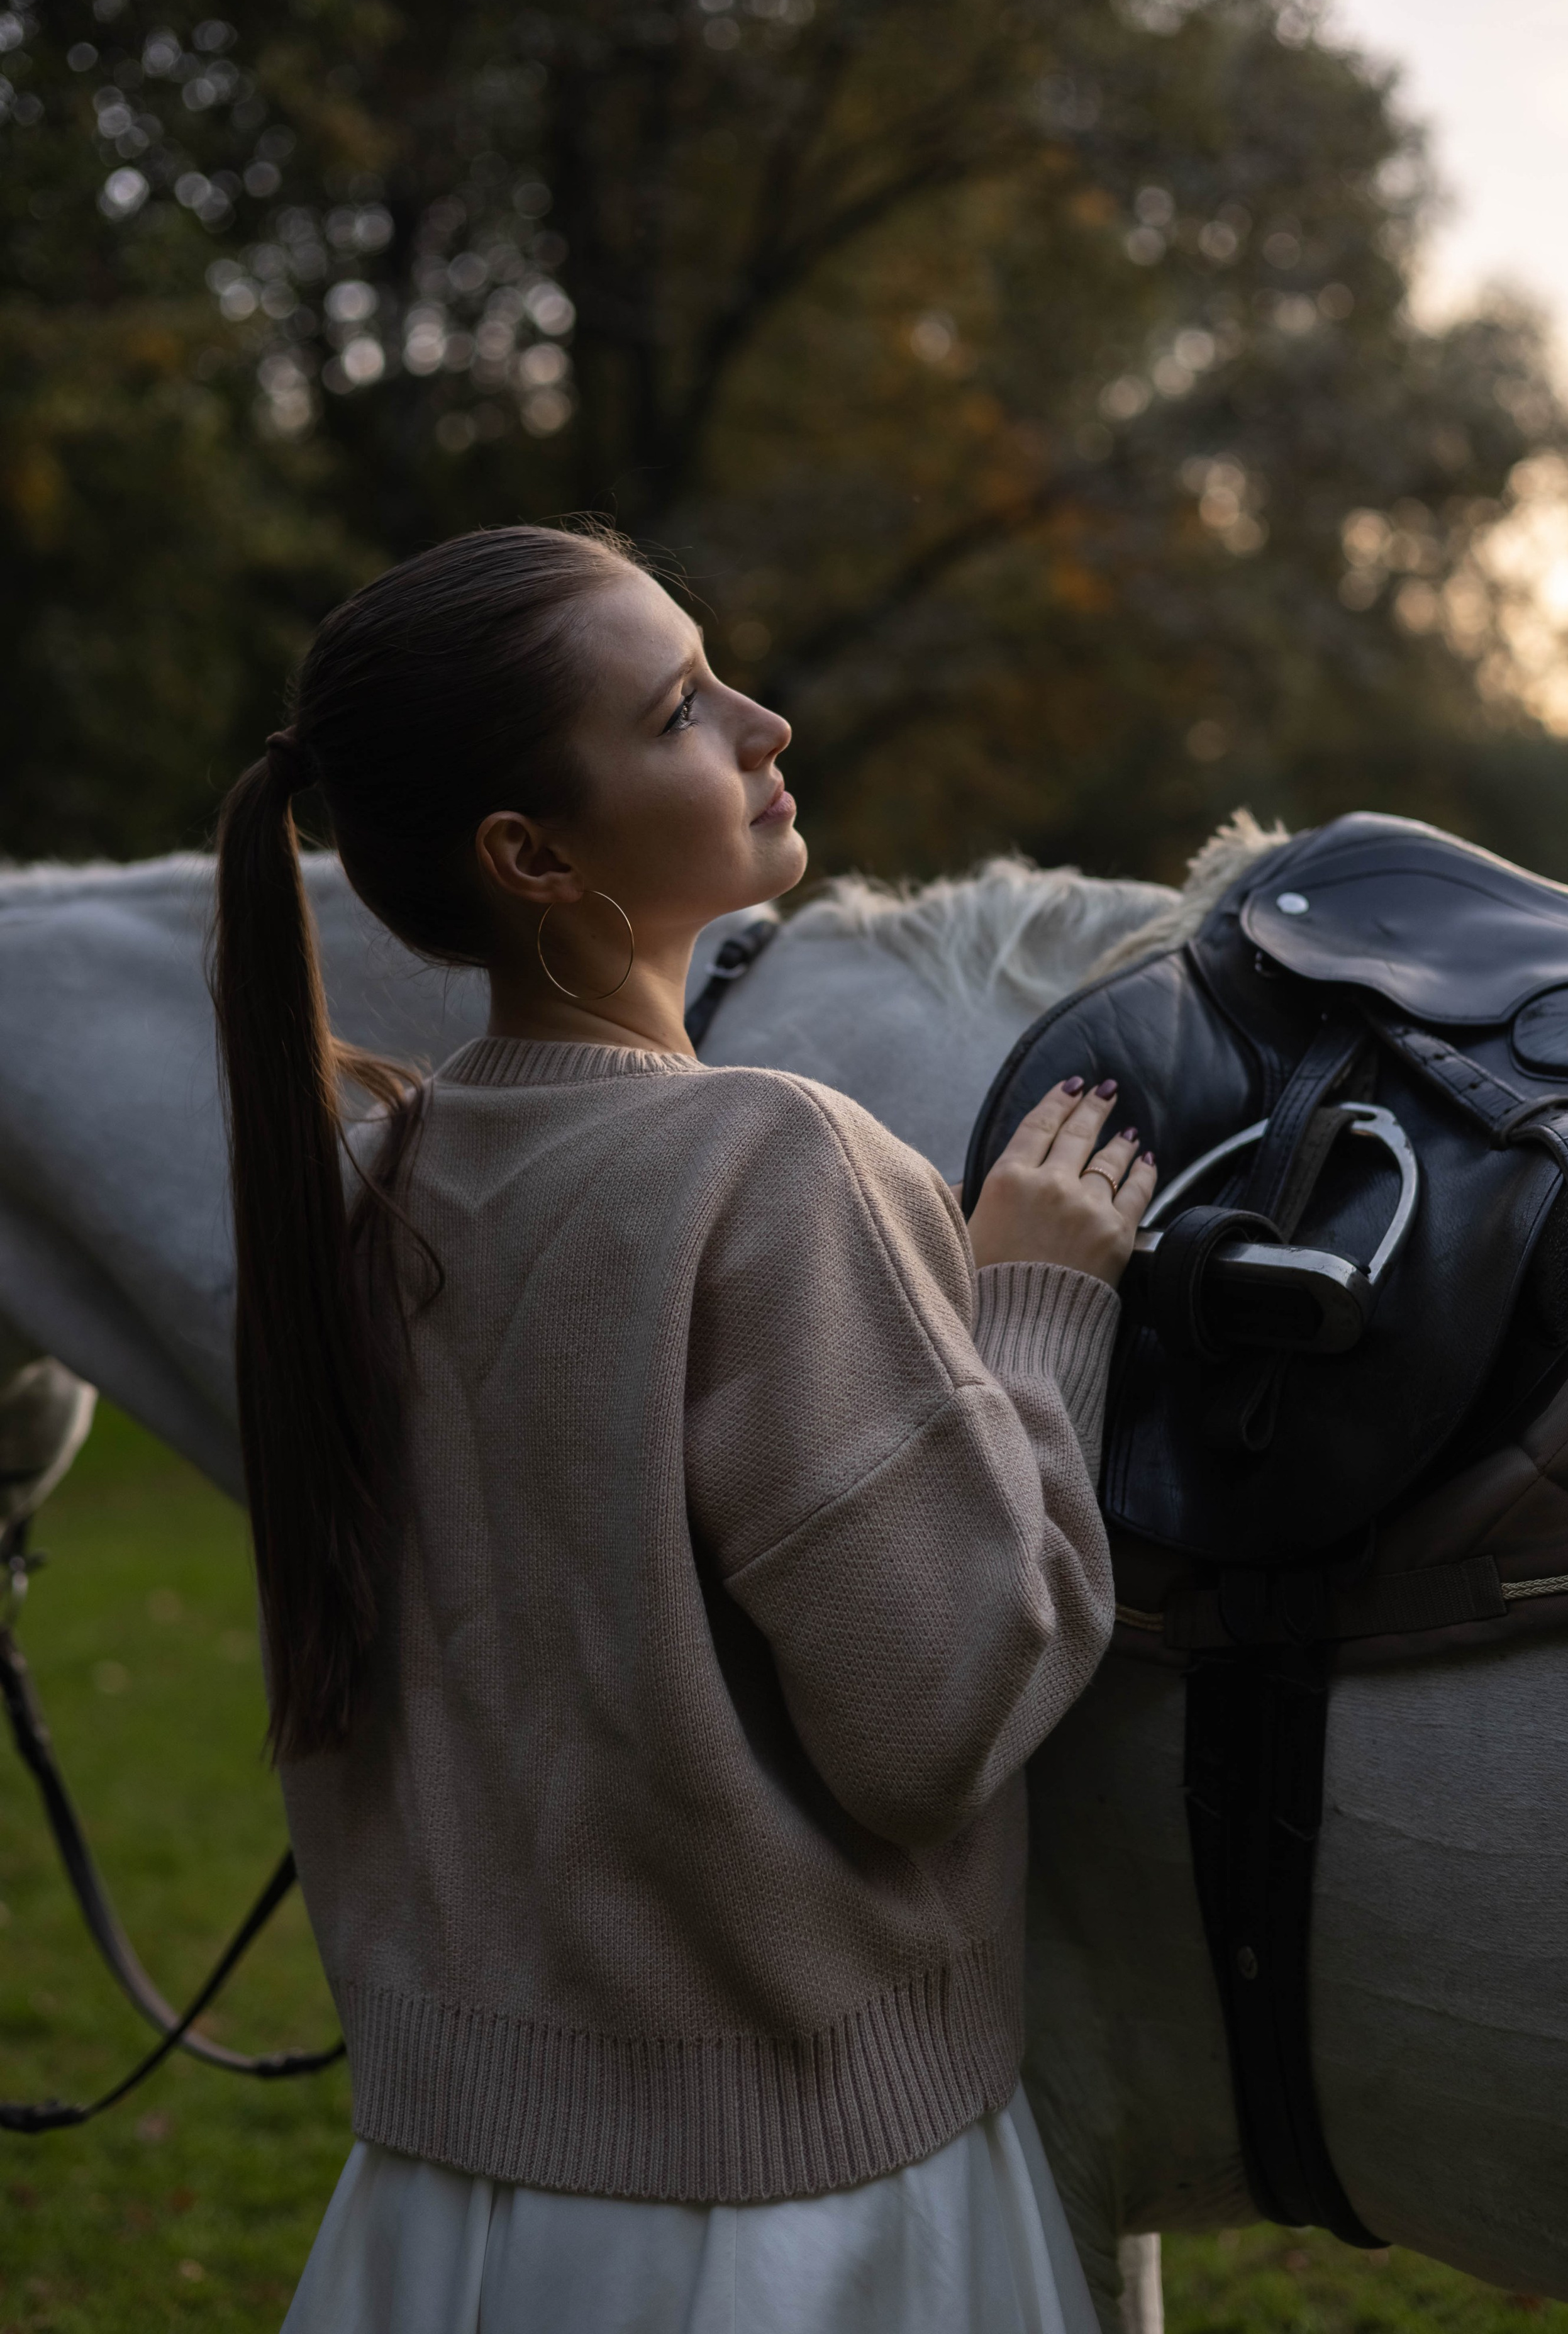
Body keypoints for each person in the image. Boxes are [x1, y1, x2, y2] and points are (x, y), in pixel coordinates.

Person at [211, 524, 1159, 2334]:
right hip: (795, 2219)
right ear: (532, 855)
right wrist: (1038, 1301)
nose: (762, 718)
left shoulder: (349, 1194)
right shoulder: (771, 1163)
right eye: (677, 710)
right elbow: (939, 1705)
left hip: (441, 2218)